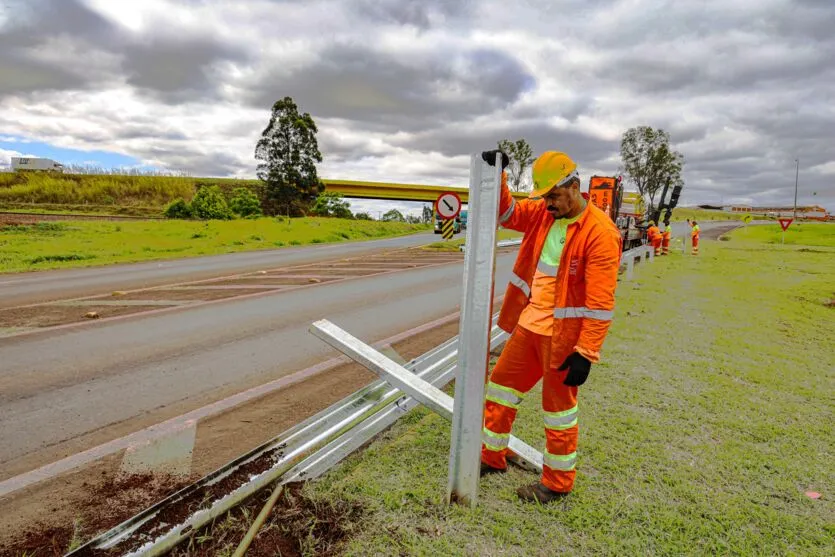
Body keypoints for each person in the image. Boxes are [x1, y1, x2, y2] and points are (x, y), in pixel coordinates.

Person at [479, 149, 622, 503]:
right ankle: (491, 457)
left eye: (554, 196)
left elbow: (600, 304)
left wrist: (586, 352)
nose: (548, 204)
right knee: (499, 389)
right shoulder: (543, 215)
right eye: (544, 197)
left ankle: (557, 483)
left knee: (558, 412)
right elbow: (507, 212)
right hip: (530, 326)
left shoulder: (600, 233)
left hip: (563, 339)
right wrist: (500, 174)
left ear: (574, 186)